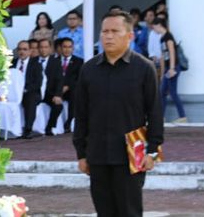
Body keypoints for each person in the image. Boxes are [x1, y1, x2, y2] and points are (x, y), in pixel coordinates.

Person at [73, 11, 164, 216]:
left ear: (129, 36)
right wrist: (81, 153)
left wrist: (154, 151)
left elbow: (155, 112)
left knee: (129, 211)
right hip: (97, 155)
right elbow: (81, 114)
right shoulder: (89, 69)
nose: (108, 36)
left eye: (115, 31)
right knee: (104, 212)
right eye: (105, 31)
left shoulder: (144, 68)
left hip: (132, 155)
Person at [150, 18, 187, 123]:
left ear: (159, 25)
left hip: (173, 68)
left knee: (172, 92)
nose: (154, 30)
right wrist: (162, 73)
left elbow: (172, 52)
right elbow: (162, 57)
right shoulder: (162, 38)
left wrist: (171, 68)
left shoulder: (168, 37)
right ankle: (161, 117)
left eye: (154, 27)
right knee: (162, 92)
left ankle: (182, 116)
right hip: (167, 69)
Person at [10, 40, 42, 139]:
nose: (22, 52)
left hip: (29, 92)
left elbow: (37, 83)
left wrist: (24, 90)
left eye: (25, 49)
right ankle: (8, 130)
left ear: (30, 51)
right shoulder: (12, 63)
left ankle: (28, 129)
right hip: (14, 93)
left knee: (30, 99)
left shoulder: (36, 64)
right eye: (19, 49)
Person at [38, 39, 63, 136]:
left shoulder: (56, 62)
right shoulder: (33, 61)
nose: (43, 49)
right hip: (36, 93)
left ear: (50, 49)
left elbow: (60, 80)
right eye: (41, 47)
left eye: (46, 47)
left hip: (49, 93)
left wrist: (57, 95)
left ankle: (49, 127)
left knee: (58, 106)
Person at [58, 37, 83, 133]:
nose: (67, 49)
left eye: (69, 47)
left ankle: (69, 122)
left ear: (73, 48)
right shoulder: (54, 60)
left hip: (70, 90)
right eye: (64, 47)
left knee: (75, 93)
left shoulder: (79, 61)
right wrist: (59, 88)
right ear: (60, 48)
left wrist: (67, 86)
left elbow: (78, 78)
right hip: (56, 89)